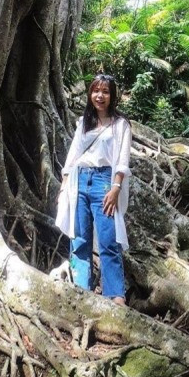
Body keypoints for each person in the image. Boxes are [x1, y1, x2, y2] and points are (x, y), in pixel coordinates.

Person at [55, 74, 132, 304]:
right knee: (80, 240)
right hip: (80, 182)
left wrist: (116, 187)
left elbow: (122, 159)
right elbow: (72, 157)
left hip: (104, 182)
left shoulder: (120, 125)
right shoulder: (84, 123)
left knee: (109, 240)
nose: (100, 96)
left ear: (112, 95)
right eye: (96, 91)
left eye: (105, 91)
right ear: (90, 94)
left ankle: (115, 294)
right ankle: (82, 292)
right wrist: (64, 186)